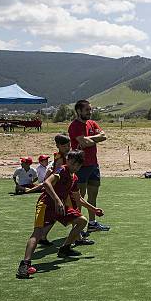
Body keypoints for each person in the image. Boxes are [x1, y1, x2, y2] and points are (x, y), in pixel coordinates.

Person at [15, 151, 104, 279]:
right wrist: (57, 200)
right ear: (67, 160)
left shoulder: (74, 178)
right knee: (38, 233)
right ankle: (25, 265)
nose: (73, 166)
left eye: (76, 165)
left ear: (79, 166)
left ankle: (65, 248)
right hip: (46, 205)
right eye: (71, 162)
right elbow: (47, 183)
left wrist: (94, 209)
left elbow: (78, 198)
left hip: (59, 207)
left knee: (82, 221)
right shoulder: (61, 170)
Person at [68, 100, 110, 233]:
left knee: (93, 195)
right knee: (79, 197)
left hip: (93, 165)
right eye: (87, 110)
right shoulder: (74, 126)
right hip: (80, 166)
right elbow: (84, 143)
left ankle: (92, 223)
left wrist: (90, 139)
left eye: (90, 110)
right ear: (79, 111)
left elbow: (104, 136)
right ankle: (78, 226)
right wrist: (93, 139)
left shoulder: (92, 123)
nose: (90, 112)